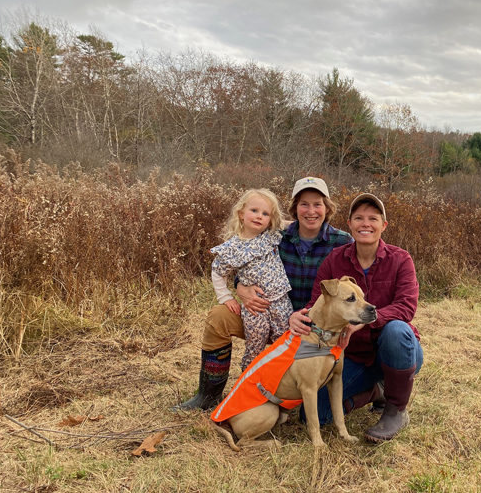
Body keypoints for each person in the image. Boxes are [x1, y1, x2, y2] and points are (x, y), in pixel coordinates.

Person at [175, 177, 352, 410]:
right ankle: (209, 395)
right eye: (304, 204)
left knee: (321, 409)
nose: (311, 211)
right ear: (294, 209)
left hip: (312, 328)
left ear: (327, 208)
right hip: (262, 312)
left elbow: (352, 291)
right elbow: (247, 263)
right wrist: (241, 289)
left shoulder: (342, 242)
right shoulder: (276, 234)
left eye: (317, 204)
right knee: (219, 317)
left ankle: (284, 389)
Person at [289, 193, 422, 442]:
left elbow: (406, 307)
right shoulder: (335, 260)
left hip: (395, 351)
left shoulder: (400, 259)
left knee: (396, 330)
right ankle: (375, 391)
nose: (366, 224)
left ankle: (395, 410)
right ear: (349, 224)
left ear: (384, 225)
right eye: (359, 218)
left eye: (373, 218)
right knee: (314, 414)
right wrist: (298, 316)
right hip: (351, 355)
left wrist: (361, 323)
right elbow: (318, 301)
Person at [209, 188, 292, 371]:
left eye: (265, 213)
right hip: (254, 306)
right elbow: (217, 272)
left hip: (280, 300)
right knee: (256, 342)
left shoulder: (270, 236)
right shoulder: (232, 247)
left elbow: (287, 224)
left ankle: (280, 378)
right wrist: (226, 297)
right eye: (254, 211)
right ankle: (249, 377)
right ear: (241, 214)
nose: (259, 216)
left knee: (284, 341)